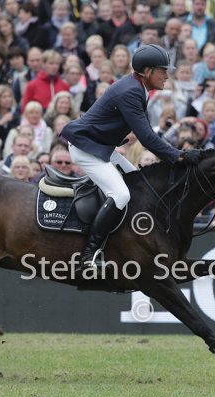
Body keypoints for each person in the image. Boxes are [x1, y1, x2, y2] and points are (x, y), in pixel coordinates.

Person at [60, 44, 186, 270]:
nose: (167, 76)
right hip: (87, 149)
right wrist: (178, 156)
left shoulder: (137, 87)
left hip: (100, 147)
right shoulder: (131, 91)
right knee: (120, 195)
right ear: (147, 71)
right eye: (162, 70)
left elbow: (146, 132)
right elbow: (146, 137)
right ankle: (89, 255)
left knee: (139, 182)